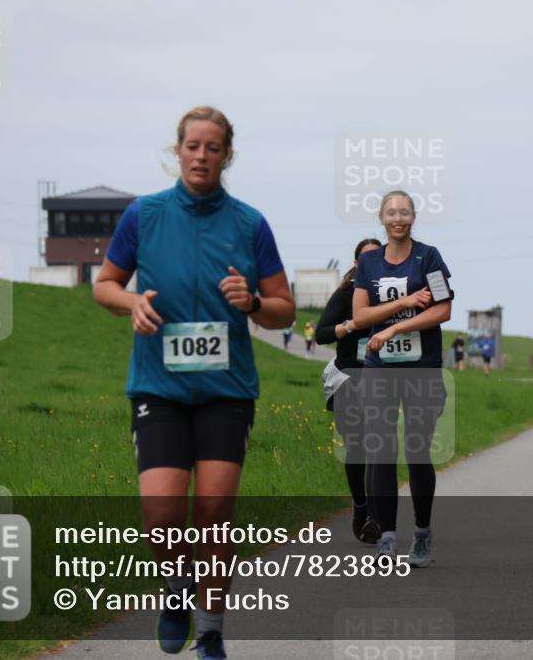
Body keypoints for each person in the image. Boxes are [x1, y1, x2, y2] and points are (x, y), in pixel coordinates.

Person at [93, 106, 295, 658]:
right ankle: (176, 590)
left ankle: (209, 631)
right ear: (176, 151)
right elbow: (104, 284)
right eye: (192, 146)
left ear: (228, 155)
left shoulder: (250, 223)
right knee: (161, 513)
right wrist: (131, 300)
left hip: (227, 391)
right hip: (158, 386)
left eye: (212, 148)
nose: (201, 156)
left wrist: (252, 301)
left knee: (213, 511)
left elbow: (283, 310)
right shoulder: (145, 215)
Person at [352, 190, 452, 567]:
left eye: (405, 212)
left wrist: (395, 329)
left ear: (414, 216)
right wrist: (403, 303)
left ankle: (422, 534)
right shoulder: (369, 262)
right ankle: (388, 538)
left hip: (420, 368)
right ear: (381, 217)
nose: (398, 218)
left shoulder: (429, 257)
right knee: (380, 451)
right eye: (392, 212)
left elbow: (443, 310)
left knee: (416, 451)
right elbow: (360, 317)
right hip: (379, 369)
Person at [316, 238, 382, 543]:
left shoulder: (390, 294)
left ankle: (376, 515)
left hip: (382, 378)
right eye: (366, 258)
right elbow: (321, 334)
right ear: (356, 264)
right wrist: (350, 326)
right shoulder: (345, 293)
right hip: (348, 376)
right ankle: (361, 506)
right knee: (356, 448)